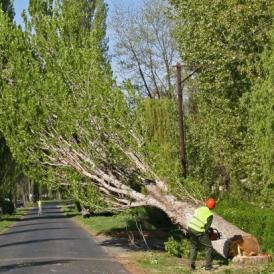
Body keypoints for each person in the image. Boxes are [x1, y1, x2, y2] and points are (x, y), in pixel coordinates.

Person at [187, 198, 216, 271]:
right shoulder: (210, 214)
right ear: (213, 207)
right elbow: (206, 229)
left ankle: (191, 265)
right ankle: (208, 266)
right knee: (208, 247)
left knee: (193, 246)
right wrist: (209, 234)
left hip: (190, 227)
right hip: (199, 230)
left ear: (206, 203)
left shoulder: (199, 209)